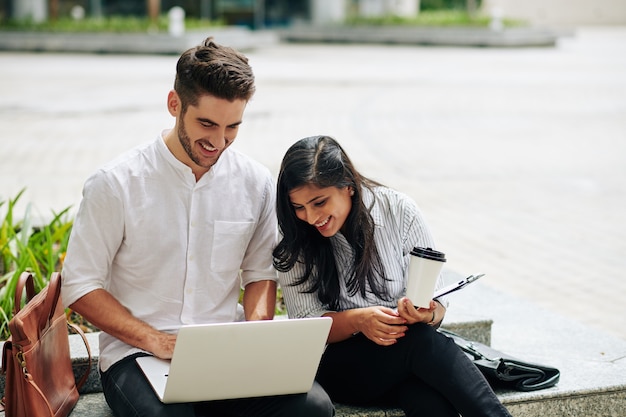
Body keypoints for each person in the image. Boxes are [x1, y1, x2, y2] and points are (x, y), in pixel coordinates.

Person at [61, 39, 334, 417]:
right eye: (206, 123)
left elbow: (259, 273)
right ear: (175, 104)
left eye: (232, 127)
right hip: (137, 356)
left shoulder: (254, 181)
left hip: (225, 353)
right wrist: (153, 340)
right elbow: (80, 286)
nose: (218, 141)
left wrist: (255, 337)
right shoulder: (115, 183)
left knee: (314, 407)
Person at [273, 135, 513, 417]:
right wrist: (359, 320)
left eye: (319, 203)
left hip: (401, 359)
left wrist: (424, 314)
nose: (311, 217)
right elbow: (305, 325)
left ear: (348, 186)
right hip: (339, 368)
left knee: (430, 403)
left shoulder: (400, 211)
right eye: (299, 207)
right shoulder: (294, 239)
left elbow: (435, 311)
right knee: (419, 342)